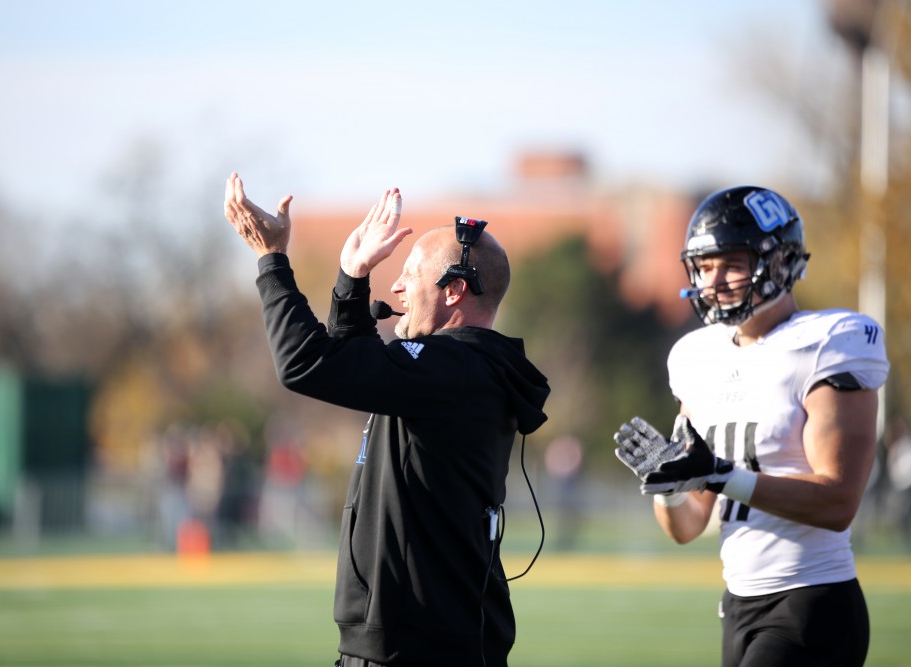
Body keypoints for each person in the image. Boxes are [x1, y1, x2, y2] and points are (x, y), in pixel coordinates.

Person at [223, 173, 550, 667]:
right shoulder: (453, 369)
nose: (395, 285)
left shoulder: (454, 369)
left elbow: (304, 364)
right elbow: (351, 371)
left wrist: (272, 262)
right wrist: (351, 277)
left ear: (455, 290)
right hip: (423, 641)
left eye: (410, 274)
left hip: (418, 649)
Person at [613, 185, 889, 667]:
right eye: (704, 266)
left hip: (812, 600)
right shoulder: (696, 356)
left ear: (779, 263)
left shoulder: (828, 342)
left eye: (731, 264)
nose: (714, 280)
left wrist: (722, 476)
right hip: (738, 605)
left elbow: (838, 501)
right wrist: (670, 484)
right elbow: (688, 526)